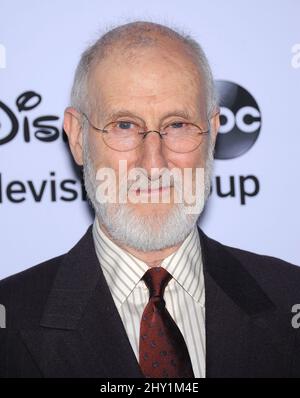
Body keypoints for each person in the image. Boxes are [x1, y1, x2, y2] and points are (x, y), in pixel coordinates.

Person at [0, 21, 300, 378]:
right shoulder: (11, 320)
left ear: (213, 133)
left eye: (178, 125)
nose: (154, 163)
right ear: (78, 137)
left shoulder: (289, 299)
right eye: (124, 125)